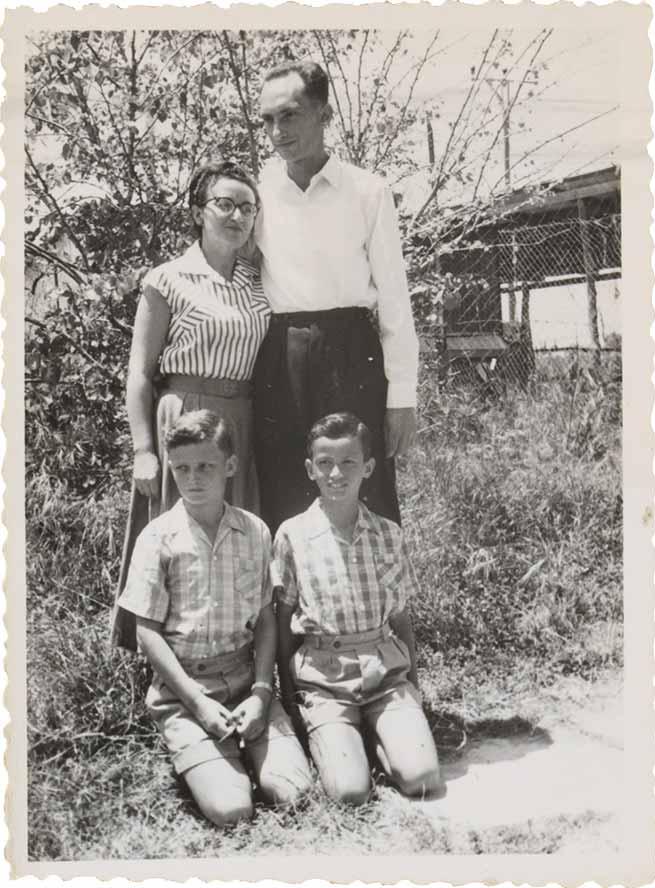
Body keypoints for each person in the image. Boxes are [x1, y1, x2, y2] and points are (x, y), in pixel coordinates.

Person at [116, 410, 313, 826]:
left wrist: (262, 693)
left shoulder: (255, 531)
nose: (194, 478)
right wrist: (196, 701)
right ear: (172, 467)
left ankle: (253, 747)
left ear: (231, 465)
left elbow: (263, 619)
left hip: (245, 683)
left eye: (206, 466)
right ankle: (211, 755)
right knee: (232, 810)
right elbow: (147, 632)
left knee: (295, 792)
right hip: (185, 692)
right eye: (183, 468)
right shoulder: (158, 538)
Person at [254, 60, 419, 533]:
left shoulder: (368, 191)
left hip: (353, 354)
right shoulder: (259, 193)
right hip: (280, 357)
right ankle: (292, 605)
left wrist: (402, 397)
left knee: (362, 487)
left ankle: (378, 604)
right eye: (266, 120)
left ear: (323, 114)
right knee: (287, 486)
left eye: (289, 115)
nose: (277, 131)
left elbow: (394, 300)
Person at [112, 159, 271, 649]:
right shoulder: (169, 279)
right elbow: (140, 371)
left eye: (247, 207)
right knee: (179, 538)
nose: (236, 216)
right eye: (224, 204)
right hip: (183, 415)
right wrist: (143, 448)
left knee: (235, 536)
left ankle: (236, 658)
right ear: (198, 211)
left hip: (241, 416)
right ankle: (166, 665)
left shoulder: (259, 276)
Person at [273, 412, 442, 805]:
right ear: (310, 469)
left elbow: (400, 617)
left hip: (384, 673)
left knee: (422, 780)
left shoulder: (387, 533)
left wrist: (413, 686)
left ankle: (382, 740)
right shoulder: (292, 535)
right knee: (349, 792)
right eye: (325, 463)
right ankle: (345, 739)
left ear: (367, 467)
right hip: (324, 679)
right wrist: (289, 698)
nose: (337, 473)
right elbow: (283, 620)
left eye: (348, 462)